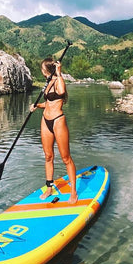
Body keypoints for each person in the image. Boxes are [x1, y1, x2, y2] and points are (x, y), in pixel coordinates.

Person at [30, 57, 79, 204]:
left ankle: (73, 192)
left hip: (58, 121)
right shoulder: (48, 82)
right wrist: (37, 105)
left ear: (47, 70)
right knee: (48, 156)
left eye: (43, 69)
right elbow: (49, 102)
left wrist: (59, 73)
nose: (41, 71)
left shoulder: (58, 81)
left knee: (66, 158)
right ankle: (49, 188)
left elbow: (62, 92)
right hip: (45, 121)